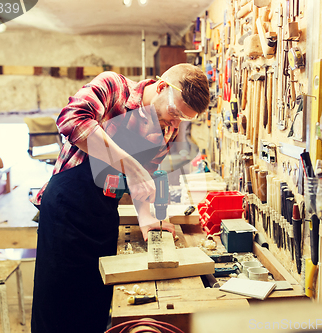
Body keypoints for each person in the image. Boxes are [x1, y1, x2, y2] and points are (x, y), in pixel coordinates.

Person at [30, 63, 210, 333]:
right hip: (67, 207)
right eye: (174, 113)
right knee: (58, 301)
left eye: (182, 120)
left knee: (96, 301)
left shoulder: (166, 127)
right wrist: (130, 165)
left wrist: (147, 218)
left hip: (102, 212)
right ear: (161, 87)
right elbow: (71, 120)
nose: (175, 124)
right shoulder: (115, 88)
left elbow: (143, 182)